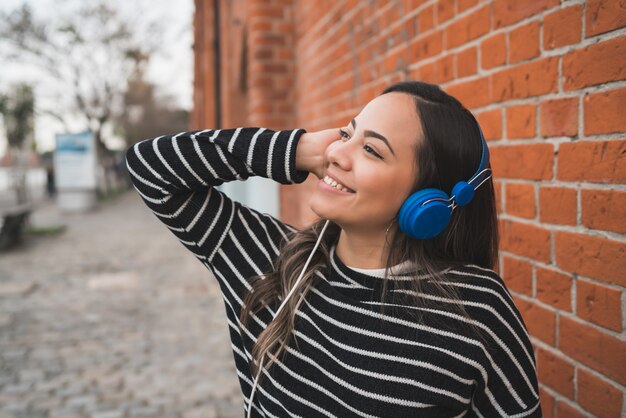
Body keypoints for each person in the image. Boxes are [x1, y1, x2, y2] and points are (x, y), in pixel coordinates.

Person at [125, 80, 541, 417]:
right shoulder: (266, 259)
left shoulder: (477, 308)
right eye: (347, 132)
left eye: (372, 149)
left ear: (428, 204)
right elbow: (150, 167)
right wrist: (296, 149)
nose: (337, 153)